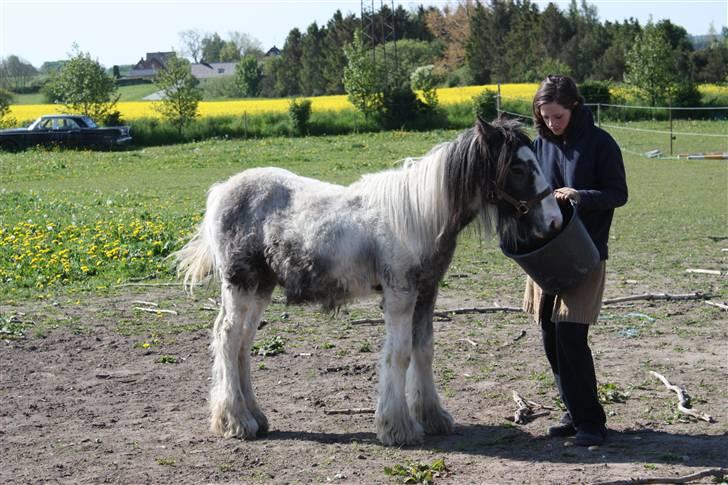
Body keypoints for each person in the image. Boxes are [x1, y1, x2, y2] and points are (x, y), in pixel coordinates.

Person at [523, 75, 628, 446]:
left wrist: (579, 195)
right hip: (546, 253)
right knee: (550, 335)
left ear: (575, 108)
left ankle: (591, 422)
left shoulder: (601, 144)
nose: (552, 124)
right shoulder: (539, 144)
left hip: (585, 252)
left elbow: (618, 194)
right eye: (546, 117)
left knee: (571, 335)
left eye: (558, 117)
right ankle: (572, 409)